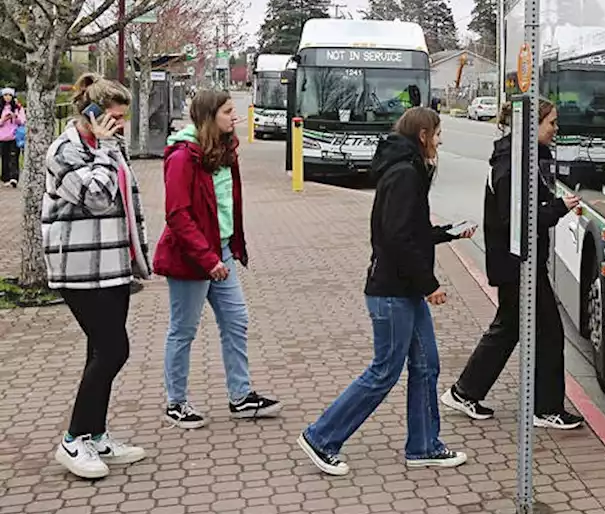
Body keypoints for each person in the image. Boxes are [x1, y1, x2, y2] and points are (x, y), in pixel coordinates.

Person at [297, 106, 474, 476]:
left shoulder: (406, 170)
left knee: (427, 365)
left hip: (403, 290)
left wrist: (449, 233)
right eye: (438, 134)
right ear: (423, 135)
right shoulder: (406, 174)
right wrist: (430, 285)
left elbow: (409, 231)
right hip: (394, 292)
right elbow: (397, 238)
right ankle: (321, 436)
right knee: (383, 372)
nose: (441, 142)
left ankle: (424, 446)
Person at [442, 98, 585, 430]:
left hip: (516, 262)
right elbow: (518, 218)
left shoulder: (524, 157)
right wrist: (559, 207)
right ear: (531, 126)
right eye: (551, 123)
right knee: (547, 332)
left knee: (508, 328)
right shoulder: (513, 164)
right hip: (518, 264)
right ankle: (546, 408)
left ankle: (465, 392)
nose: (556, 129)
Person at [153, 90, 281, 430]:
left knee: (236, 319)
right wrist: (207, 258)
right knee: (183, 330)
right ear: (210, 116)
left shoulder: (224, 152)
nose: (234, 117)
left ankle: (240, 396)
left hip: (220, 252)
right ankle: (176, 402)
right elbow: (177, 214)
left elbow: (226, 204)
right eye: (227, 112)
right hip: (192, 258)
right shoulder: (182, 157)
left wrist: (229, 248)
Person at [43, 73, 150, 479]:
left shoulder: (108, 147)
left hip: (112, 265)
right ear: (91, 112)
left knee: (99, 351)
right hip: (79, 268)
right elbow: (97, 199)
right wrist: (105, 151)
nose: (120, 125)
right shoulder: (65, 150)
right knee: (113, 350)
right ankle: (73, 440)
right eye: (114, 117)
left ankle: (96, 435)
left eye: (123, 118)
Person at [0, 88, 25, 186]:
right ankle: (5, 178)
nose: (7, 97)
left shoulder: (18, 108)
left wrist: (15, 116)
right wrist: (4, 119)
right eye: (5, 95)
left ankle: (14, 177)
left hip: (14, 136)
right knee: (4, 158)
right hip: (2, 137)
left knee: (14, 157)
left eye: (9, 95)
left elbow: (22, 121)